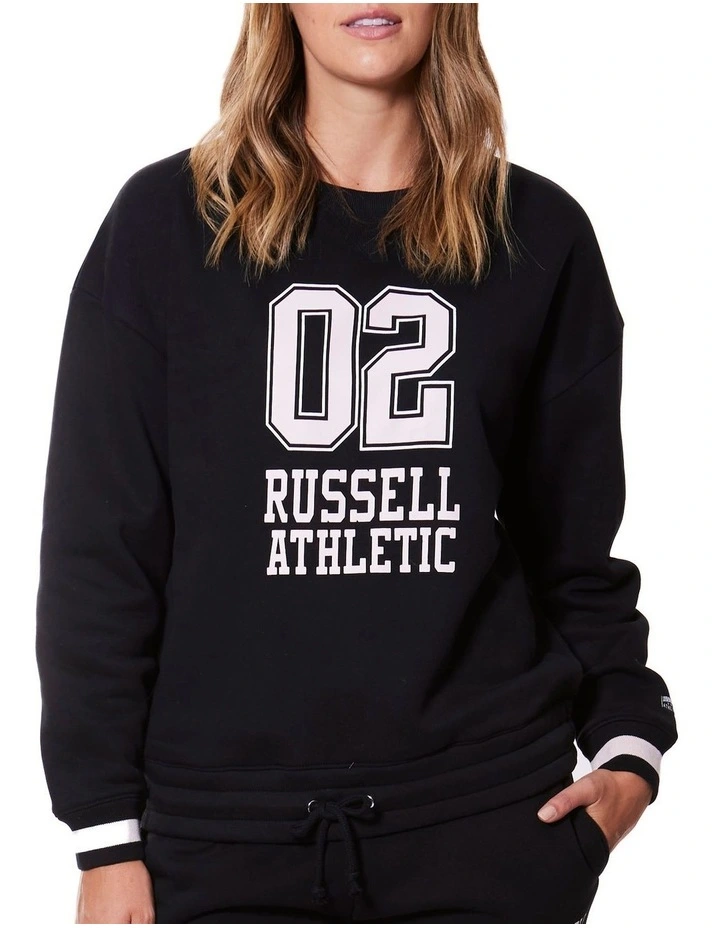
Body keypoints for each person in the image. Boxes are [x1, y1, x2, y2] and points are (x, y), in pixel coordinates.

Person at [35, 3, 679, 924]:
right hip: (216, 849)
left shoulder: (539, 234)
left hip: (490, 828)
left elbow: (574, 552)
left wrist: (629, 749)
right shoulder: (165, 228)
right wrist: (105, 837)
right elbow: (100, 554)